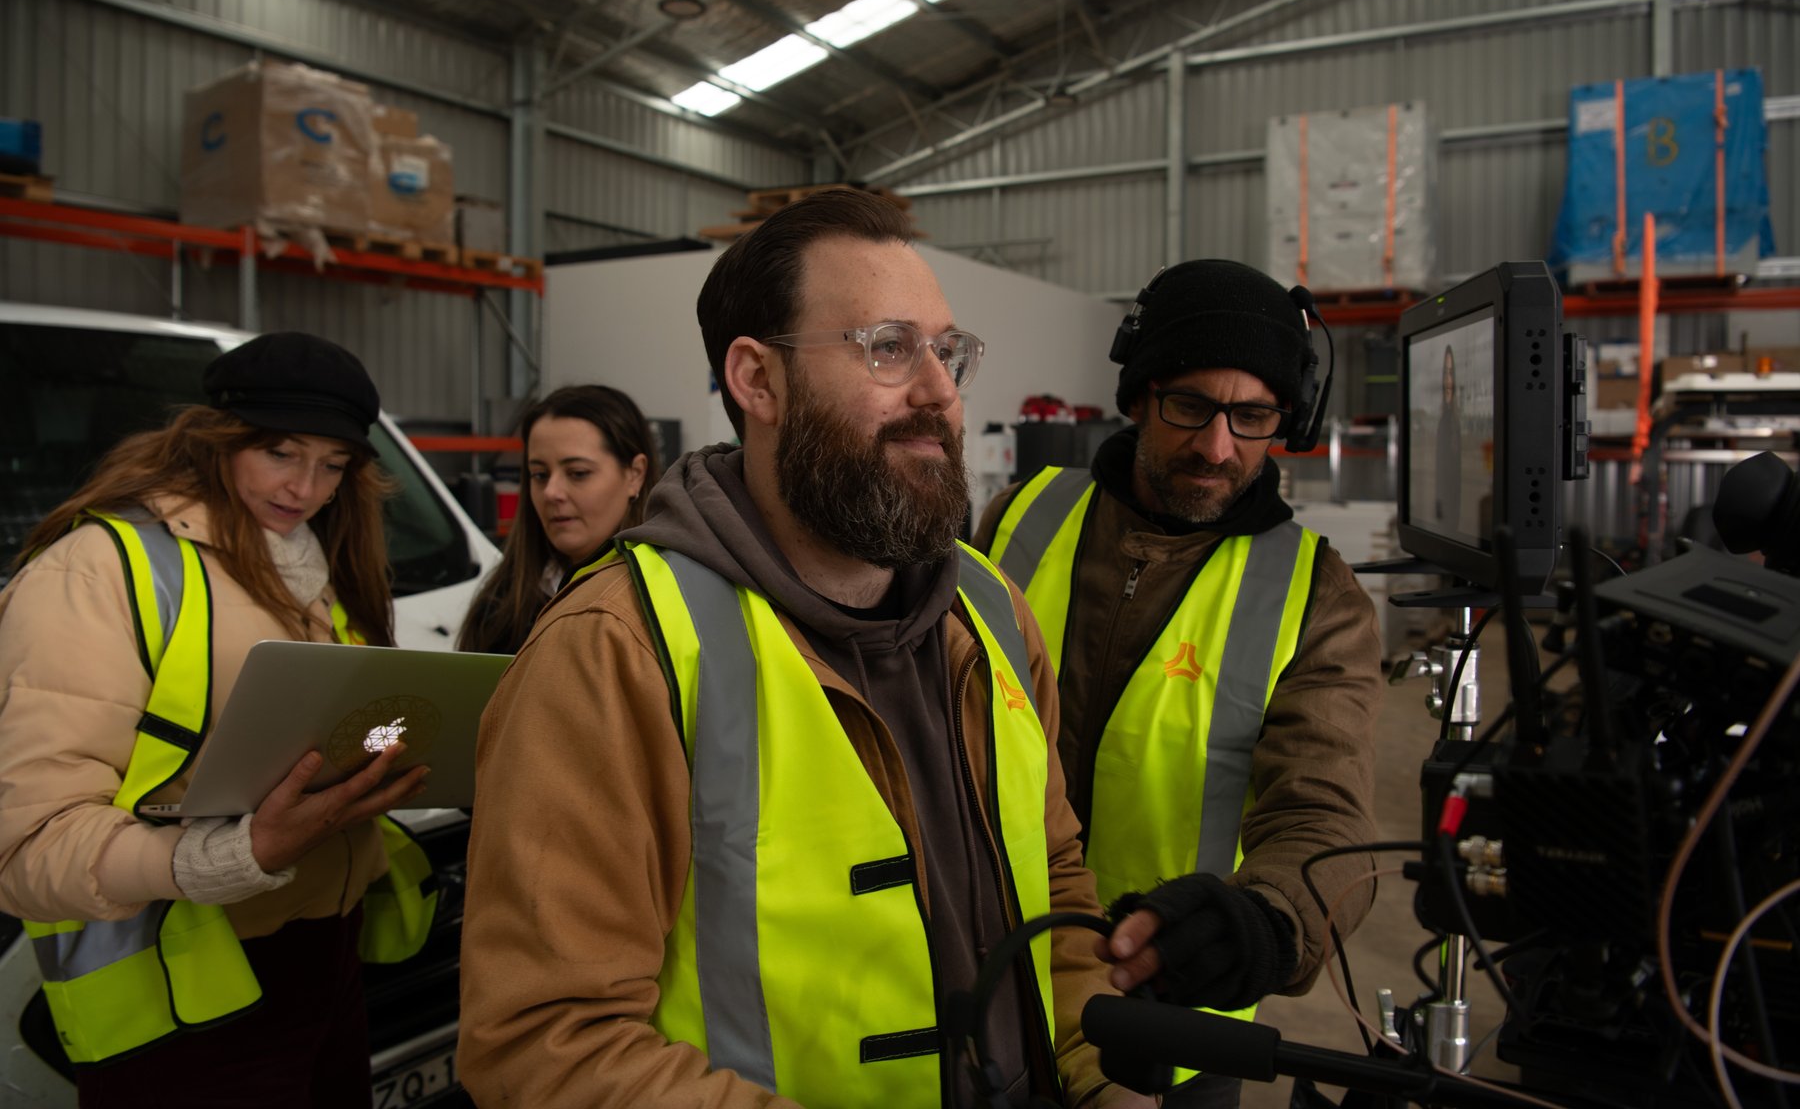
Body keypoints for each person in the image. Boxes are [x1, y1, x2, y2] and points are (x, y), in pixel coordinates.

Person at [457, 189, 1153, 1108]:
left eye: (947, 352)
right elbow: (542, 1042)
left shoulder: (989, 612)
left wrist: (1100, 1075)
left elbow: (1053, 882)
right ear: (758, 381)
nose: (940, 392)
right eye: (888, 348)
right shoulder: (615, 654)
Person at [975, 259, 1382, 1108]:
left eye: (1253, 416)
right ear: (1138, 396)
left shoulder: (1316, 597)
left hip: (1165, 1022)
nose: (1216, 447)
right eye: (1190, 406)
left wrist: (1265, 922)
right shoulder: (1019, 517)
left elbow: (1324, 818)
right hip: (987, 975)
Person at [0, 332, 434, 1107]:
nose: (305, 487)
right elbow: (29, 847)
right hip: (179, 999)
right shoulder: (94, 571)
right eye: (280, 453)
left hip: (325, 967)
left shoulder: (320, 561)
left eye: (333, 465)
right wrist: (227, 856)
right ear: (215, 438)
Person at [456, 384, 660, 654]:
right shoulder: (500, 609)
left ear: (635, 474)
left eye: (578, 473)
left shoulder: (667, 599)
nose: (551, 492)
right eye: (539, 475)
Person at [1434, 345, 1462, 530]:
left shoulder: (1456, 422)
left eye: (1451, 374)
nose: (1448, 380)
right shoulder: (1443, 420)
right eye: (1445, 374)